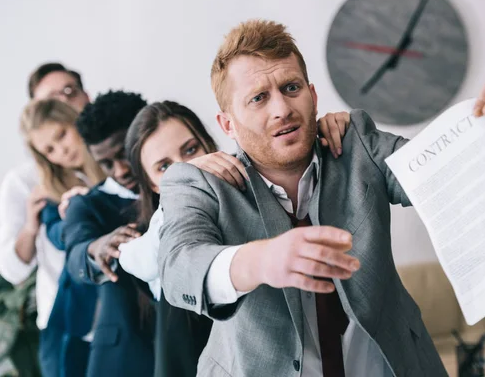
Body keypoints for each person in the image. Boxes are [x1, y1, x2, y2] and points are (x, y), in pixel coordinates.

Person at [157, 19, 485, 377]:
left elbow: (439, 179)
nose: (282, 109)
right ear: (227, 125)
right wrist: (259, 260)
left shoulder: (357, 144)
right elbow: (178, 268)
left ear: (312, 95)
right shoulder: (199, 182)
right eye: (258, 98)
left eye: (291, 88)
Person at [120, 100, 351, 377]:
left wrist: (323, 131)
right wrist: (180, 184)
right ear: (152, 184)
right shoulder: (157, 231)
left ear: (208, 143)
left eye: (191, 150)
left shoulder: (248, 187)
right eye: (165, 167)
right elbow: (134, 258)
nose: (185, 166)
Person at [0, 62, 90, 377]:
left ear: (86, 96)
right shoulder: (24, 182)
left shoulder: (117, 159)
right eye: (50, 99)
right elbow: (12, 270)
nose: (63, 103)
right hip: (63, 322)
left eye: (70, 92)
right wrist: (30, 225)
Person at [62, 90, 155, 377]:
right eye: (106, 163)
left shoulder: (187, 182)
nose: (121, 170)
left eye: (125, 152)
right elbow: (76, 250)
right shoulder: (86, 205)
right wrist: (96, 249)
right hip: (124, 357)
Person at [20, 98, 104, 376]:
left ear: (74, 120)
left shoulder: (116, 163)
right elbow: (57, 235)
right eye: (49, 150)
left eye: (61, 135)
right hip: (71, 323)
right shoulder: (51, 191)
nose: (62, 151)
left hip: (120, 316)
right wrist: (74, 214)